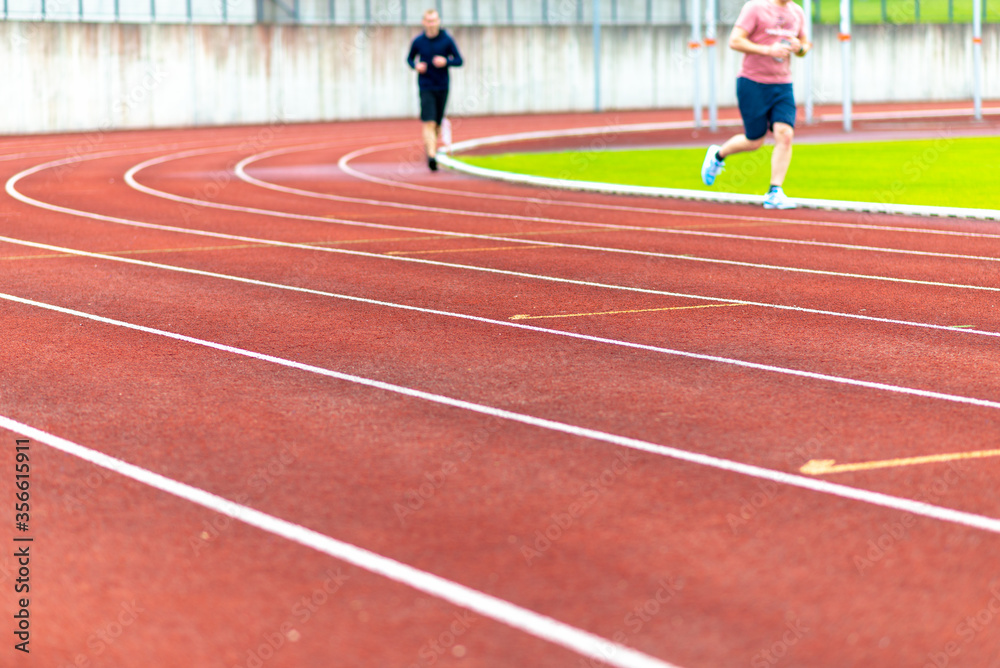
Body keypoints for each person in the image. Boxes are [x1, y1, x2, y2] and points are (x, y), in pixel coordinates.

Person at [700, 0, 810, 209]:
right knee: (754, 140)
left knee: (785, 133)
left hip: (783, 84)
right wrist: (768, 51)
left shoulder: (797, 12)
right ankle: (718, 155)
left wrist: (800, 47)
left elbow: (806, 44)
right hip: (753, 83)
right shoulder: (756, 7)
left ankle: (774, 192)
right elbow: (735, 41)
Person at [407, 9, 463, 172]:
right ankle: (431, 156)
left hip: (442, 85)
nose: (431, 24)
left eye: (434, 21)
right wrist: (415, 66)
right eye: (428, 21)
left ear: (438, 22)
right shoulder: (418, 41)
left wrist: (446, 61)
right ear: (424, 22)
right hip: (425, 86)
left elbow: (459, 60)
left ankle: (431, 149)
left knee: (437, 123)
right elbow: (410, 58)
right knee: (429, 121)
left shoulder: (446, 40)